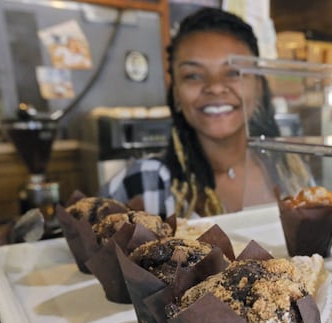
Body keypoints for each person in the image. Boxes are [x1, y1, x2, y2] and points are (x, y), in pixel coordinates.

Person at [101, 7, 312, 218]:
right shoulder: (141, 184)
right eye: (193, 76)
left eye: (233, 72)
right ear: (175, 93)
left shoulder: (292, 172)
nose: (215, 87)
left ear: (259, 86)